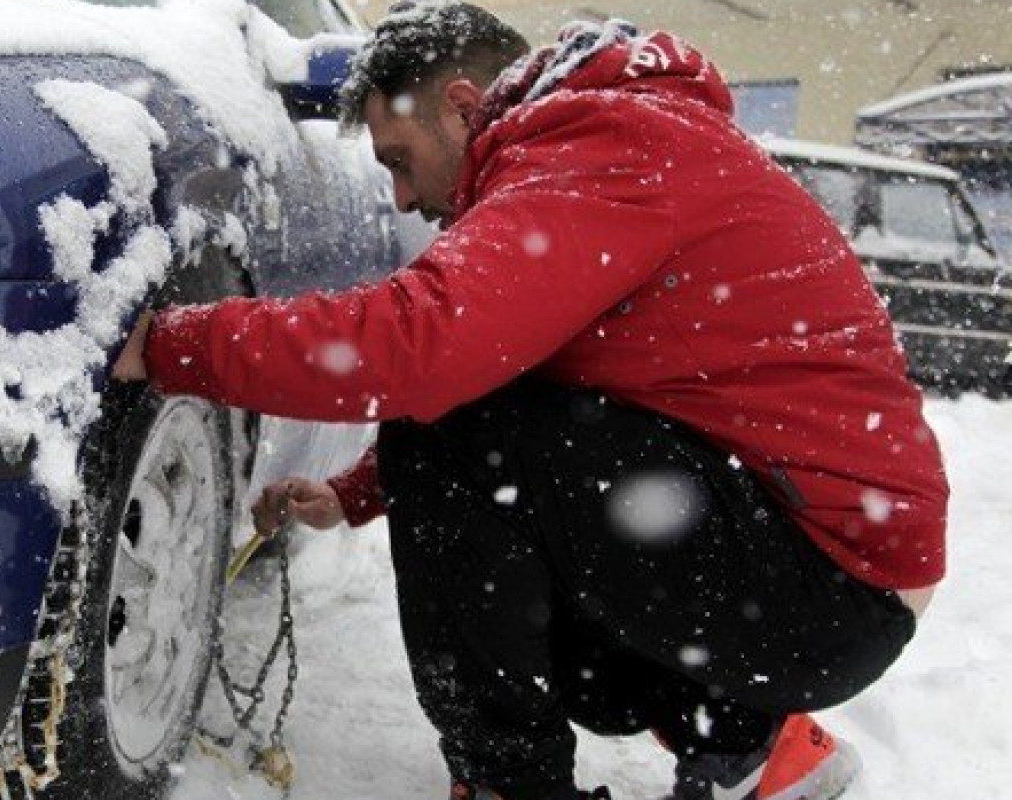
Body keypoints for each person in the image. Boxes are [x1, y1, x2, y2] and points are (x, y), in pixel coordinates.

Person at [111, 2, 947, 798]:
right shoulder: (617, 136)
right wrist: (355, 491)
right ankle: (748, 744)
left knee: (451, 423)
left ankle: (511, 782)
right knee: (477, 449)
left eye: (400, 159)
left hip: (823, 580)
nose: (402, 197)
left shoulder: (606, 142)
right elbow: (533, 374)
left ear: (464, 105)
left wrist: (171, 343)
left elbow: (422, 349)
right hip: (823, 562)